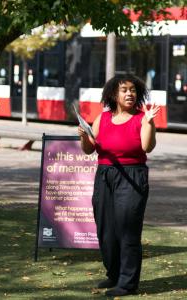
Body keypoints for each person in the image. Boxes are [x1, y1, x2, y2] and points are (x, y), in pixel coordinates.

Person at [78, 74, 160, 297]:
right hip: (105, 174)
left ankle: (127, 283)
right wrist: (84, 136)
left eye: (133, 90)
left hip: (132, 175)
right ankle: (113, 274)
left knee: (127, 230)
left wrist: (150, 123)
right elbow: (89, 149)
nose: (129, 94)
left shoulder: (142, 118)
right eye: (124, 90)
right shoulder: (102, 119)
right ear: (113, 94)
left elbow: (147, 146)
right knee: (106, 230)